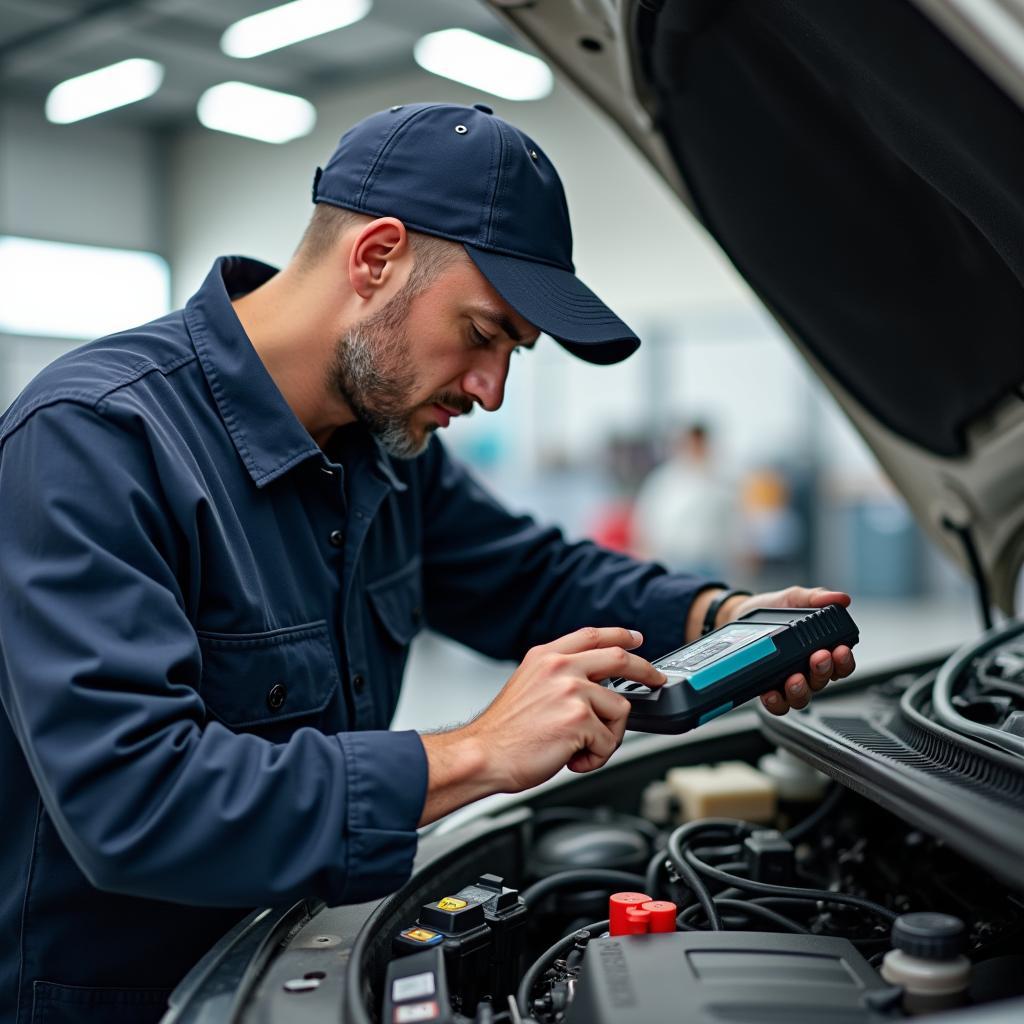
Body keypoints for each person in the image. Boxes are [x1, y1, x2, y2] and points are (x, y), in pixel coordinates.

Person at [0, 103, 855, 1023]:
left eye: (514, 354)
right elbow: (138, 800)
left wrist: (718, 620)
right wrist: (476, 751)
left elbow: (529, 575)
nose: (490, 390)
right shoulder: (98, 443)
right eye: (485, 334)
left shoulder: (384, 452)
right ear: (376, 258)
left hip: (291, 963)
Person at [632, 421, 737, 576]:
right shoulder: (666, 479)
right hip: (673, 558)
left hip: (711, 560)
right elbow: (647, 519)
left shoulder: (721, 480)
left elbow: (733, 521)